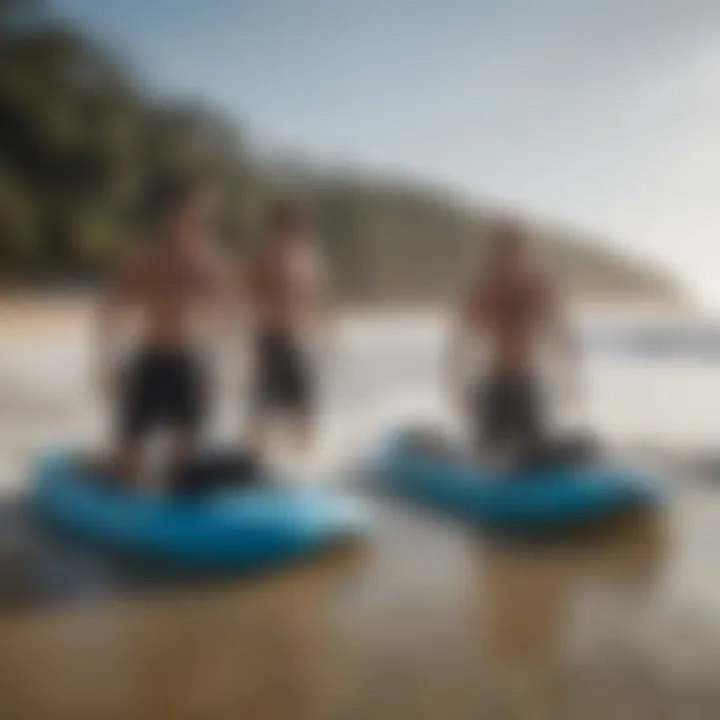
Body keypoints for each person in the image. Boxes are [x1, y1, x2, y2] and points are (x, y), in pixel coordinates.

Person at [95, 172, 234, 490]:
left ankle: (174, 500)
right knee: (127, 458)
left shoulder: (210, 262)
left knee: (186, 457)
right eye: (197, 209)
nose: (204, 217)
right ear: (174, 210)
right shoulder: (146, 257)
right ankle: (105, 468)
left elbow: (224, 319)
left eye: (207, 211)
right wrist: (106, 363)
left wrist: (216, 370)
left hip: (187, 361)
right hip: (150, 358)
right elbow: (111, 311)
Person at [448, 218, 582, 468]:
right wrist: (459, 388)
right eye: (502, 249)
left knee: (534, 455)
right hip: (495, 385)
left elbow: (560, 335)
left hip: (526, 385)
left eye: (515, 249)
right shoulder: (484, 290)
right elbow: (461, 343)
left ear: (524, 252)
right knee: (486, 456)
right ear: (494, 252)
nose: (509, 257)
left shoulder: (537, 288)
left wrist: (571, 381)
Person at [242, 197, 332, 465]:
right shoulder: (264, 256)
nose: (304, 227)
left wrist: (327, 335)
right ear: (281, 223)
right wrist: (253, 345)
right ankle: (252, 463)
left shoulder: (308, 258)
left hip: (297, 341)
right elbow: (246, 297)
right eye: (297, 221)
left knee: (304, 410)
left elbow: (316, 300)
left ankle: (300, 467)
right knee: (263, 410)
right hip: (270, 339)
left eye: (305, 222)